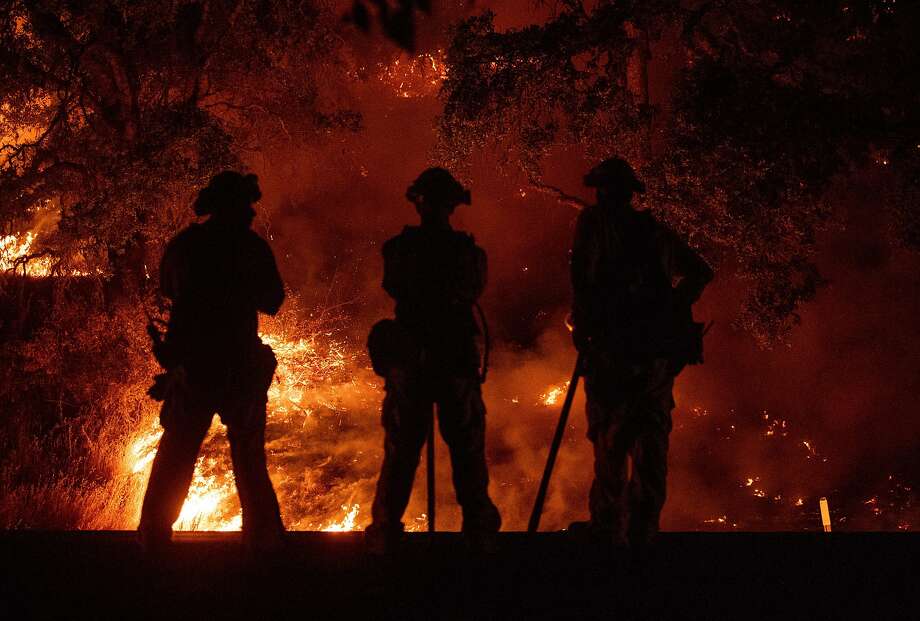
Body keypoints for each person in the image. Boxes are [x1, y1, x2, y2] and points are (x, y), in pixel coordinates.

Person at [138, 171, 285, 554]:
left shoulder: (185, 246)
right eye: (246, 204)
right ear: (233, 206)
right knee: (249, 458)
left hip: (195, 365)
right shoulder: (251, 248)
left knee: (176, 453)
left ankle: (152, 539)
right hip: (238, 364)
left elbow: (169, 291)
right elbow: (273, 301)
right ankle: (264, 543)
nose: (252, 212)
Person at [570, 157, 713, 549]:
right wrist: (671, 308)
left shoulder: (602, 228)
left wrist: (665, 310)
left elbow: (582, 283)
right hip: (642, 360)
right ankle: (634, 533)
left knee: (619, 449)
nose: (602, 197)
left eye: (606, 190)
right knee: (637, 449)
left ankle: (617, 534)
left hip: (626, 361)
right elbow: (699, 273)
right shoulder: (645, 232)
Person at [365, 168, 501, 552]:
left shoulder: (398, 249)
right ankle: (479, 533)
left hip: (412, 359)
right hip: (454, 357)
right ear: (452, 206)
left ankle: (386, 531)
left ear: (418, 203)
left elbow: (393, 286)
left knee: (402, 449)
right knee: (466, 448)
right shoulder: (468, 253)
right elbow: (473, 288)